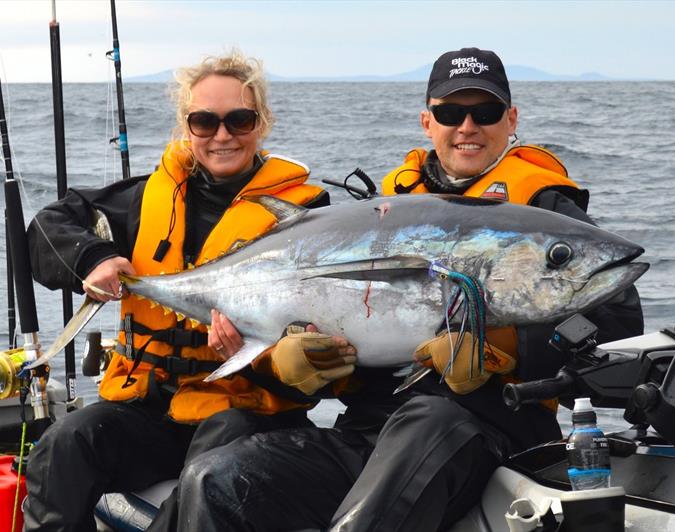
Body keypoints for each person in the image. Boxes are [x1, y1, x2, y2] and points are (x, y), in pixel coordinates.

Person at [152, 47, 644, 532]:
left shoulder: (548, 213)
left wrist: (504, 351)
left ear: (511, 119)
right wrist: (297, 361)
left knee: (421, 433)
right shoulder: (392, 207)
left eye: (485, 112)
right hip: (374, 428)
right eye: (451, 112)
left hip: (487, 429)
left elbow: (618, 328)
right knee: (215, 478)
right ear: (427, 122)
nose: (467, 127)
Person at [22, 51, 355, 532]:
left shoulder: (308, 217)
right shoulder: (145, 199)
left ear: (262, 123)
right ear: (186, 126)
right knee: (66, 441)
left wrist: (268, 355)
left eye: (239, 120)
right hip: (149, 408)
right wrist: (91, 258)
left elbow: (327, 341)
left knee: (215, 458)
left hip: (248, 411)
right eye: (205, 121)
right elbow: (48, 227)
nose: (223, 136)